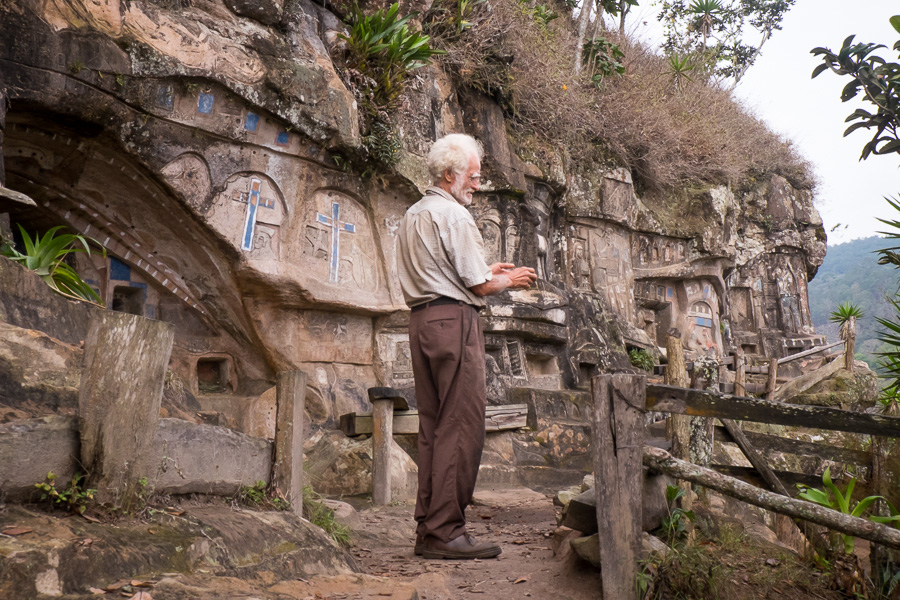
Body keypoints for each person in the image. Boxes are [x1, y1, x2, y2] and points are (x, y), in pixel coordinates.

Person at [396, 133, 538, 560]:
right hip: (454, 322)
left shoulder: (414, 214)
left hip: (422, 320)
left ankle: (428, 528)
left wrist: (485, 270)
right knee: (462, 426)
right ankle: (447, 532)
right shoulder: (455, 216)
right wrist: (506, 279)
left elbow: (444, 269)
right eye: (473, 177)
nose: (477, 184)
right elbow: (477, 284)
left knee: (433, 427)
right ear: (449, 174)